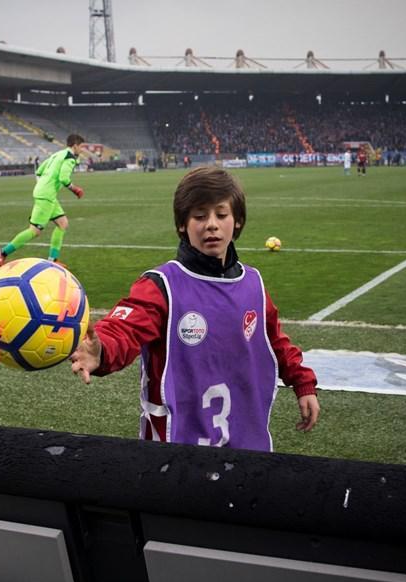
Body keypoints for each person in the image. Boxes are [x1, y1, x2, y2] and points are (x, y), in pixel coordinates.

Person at [69, 166, 319, 451]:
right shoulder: (162, 285)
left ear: (237, 221)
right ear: (182, 225)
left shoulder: (253, 283)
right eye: (200, 216)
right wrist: (102, 350)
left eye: (221, 215)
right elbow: (125, 328)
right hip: (176, 452)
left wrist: (303, 383)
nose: (211, 224)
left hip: (249, 449)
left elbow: (275, 341)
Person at [0, 134, 85, 267]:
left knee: (63, 223)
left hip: (46, 194)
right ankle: (3, 252)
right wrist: (75, 189)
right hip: (46, 196)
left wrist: (42, 185)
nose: (82, 150)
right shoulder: (69, 158)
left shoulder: (58, 154)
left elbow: (40, 170)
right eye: (81, 147)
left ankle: (53, 259)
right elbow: (63, 178)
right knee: (34, 231)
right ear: (75, 145)